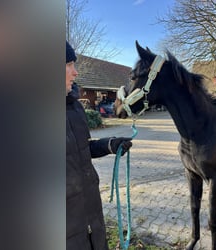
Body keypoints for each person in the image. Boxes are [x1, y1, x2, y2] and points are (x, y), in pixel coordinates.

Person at [66, 41, 132, 250]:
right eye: (68, 65)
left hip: (90, 208)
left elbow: (81, 150)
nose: (75, 73)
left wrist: (109, 145)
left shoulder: (74, 107)